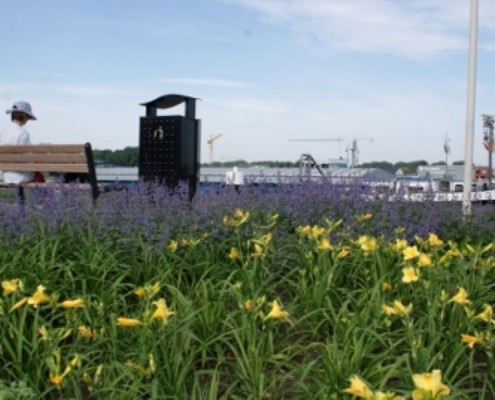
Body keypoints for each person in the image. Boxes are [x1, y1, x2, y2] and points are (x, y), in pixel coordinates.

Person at [0, 101, 44, 183]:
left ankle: (21, 195)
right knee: (39, 175)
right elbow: (28, 158)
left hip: (6, 175)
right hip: (21, 176)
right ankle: (43, 195)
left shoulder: (3, 132)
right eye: (27, 117)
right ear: (23, 116)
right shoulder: (23, 133)